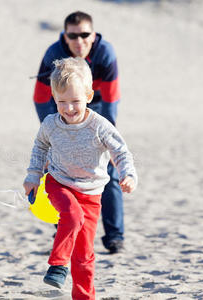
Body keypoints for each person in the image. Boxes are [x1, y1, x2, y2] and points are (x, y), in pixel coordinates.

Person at [24, 57, 137, 299]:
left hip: (91, 194)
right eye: (61, 102)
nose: (68, 108)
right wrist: (33, 176)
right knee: (71, 216)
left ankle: (84, 296)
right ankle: (58, 265)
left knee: (84, 254)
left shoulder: (100, 126)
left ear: (88, 95)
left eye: (75, 101)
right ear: (54, 99)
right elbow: (40, 147)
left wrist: (128, 174)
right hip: (59, 183)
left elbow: (120, 151)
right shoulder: (51, 124)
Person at [33, 11, 126, 253]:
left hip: (96, 105)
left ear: (93, 35)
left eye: (85, 35)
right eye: (73, 36)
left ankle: (115, 237)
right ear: (65, 36)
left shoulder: (105, 53)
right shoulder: (54, 55)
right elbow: (41, 97)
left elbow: (112, 98)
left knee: (109, 171)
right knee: (60, 171)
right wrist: (55, 133)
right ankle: (63, 230)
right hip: (62, 105)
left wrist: (107, 140)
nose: (79, 41)